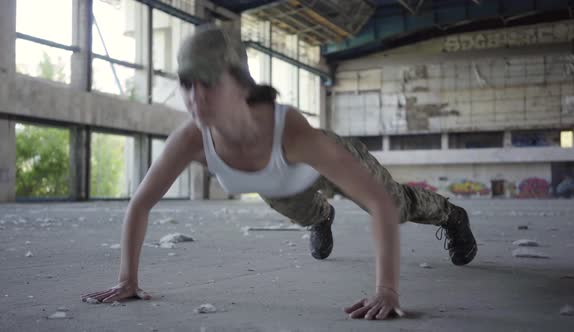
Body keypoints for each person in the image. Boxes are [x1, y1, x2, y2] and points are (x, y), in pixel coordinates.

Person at [81, 25, 477, 320]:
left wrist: (387, 290)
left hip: (328, 161)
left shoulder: (289, 131)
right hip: (281, 185)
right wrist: (127, 279)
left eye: (208, 83)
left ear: (240, 85)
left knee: (395, 204)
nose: (195, 97)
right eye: (186, 84)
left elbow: (377, 204)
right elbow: (140, 204)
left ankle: (451, 215)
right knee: (307, 213)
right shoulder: (190, 139)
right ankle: (323, 217)